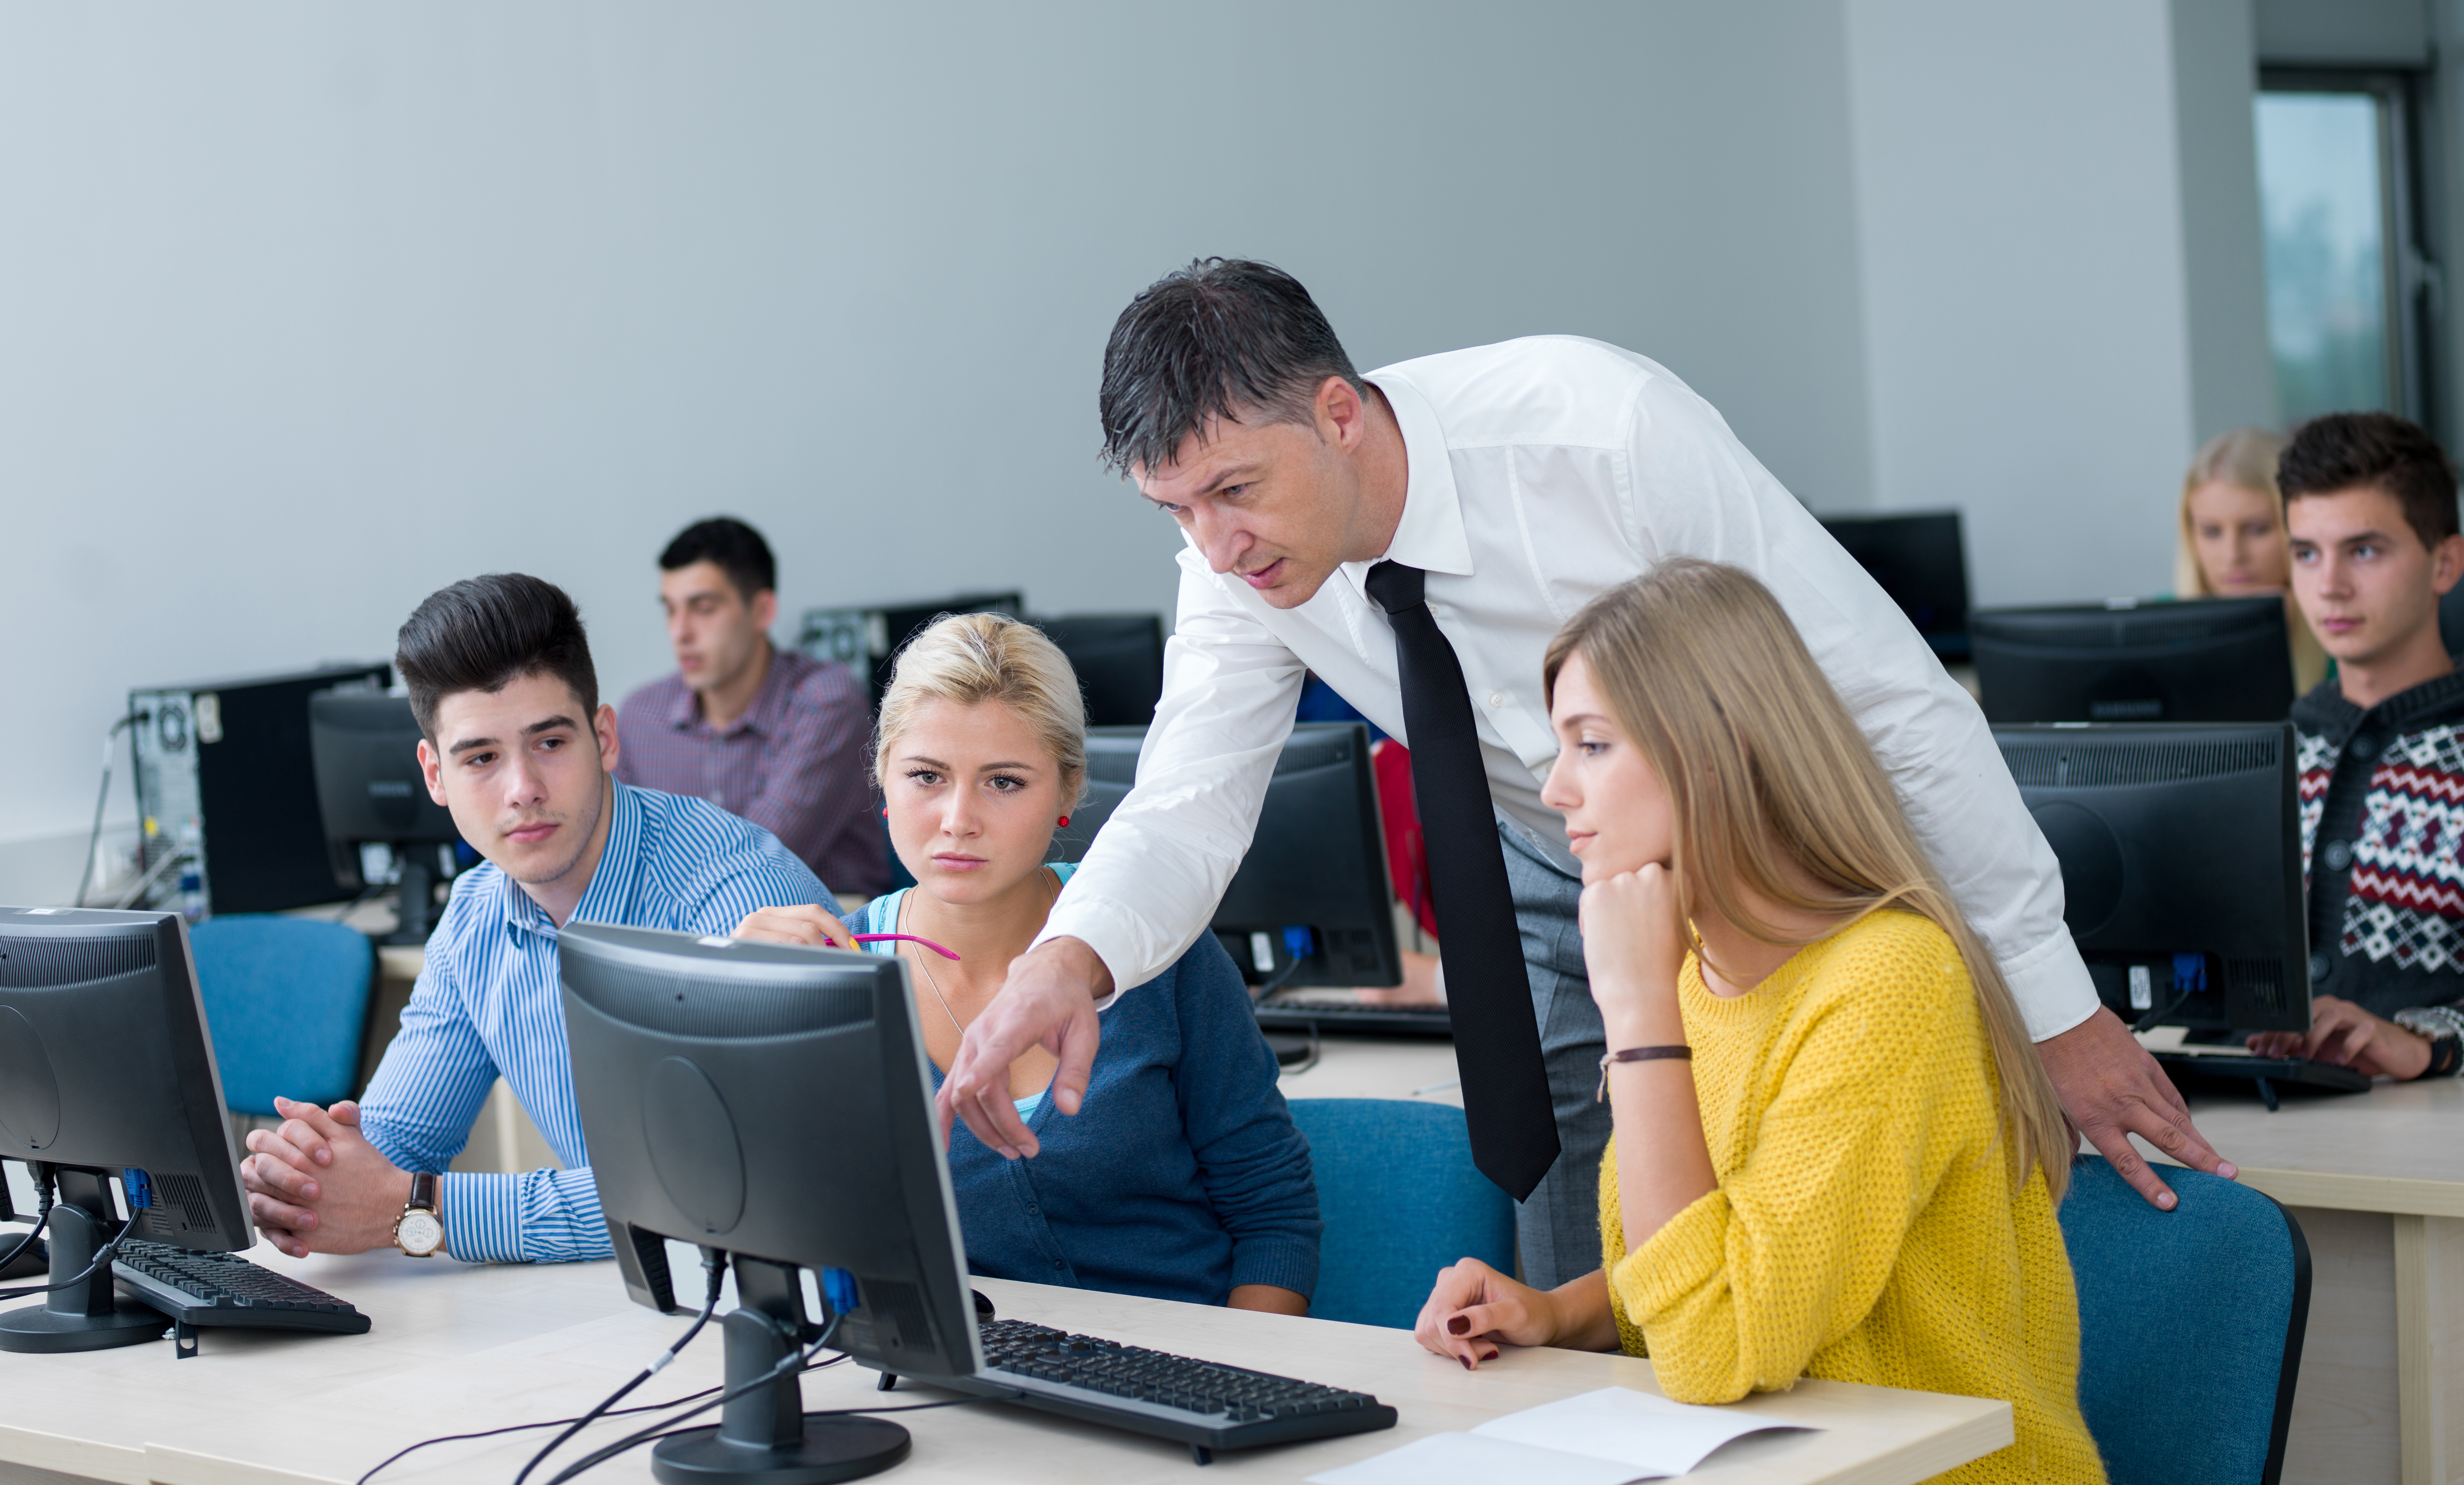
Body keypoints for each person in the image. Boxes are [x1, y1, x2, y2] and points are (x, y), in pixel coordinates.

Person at [943, 260, 2227, 1291]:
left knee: (1817, 1221)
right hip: (1547, 870)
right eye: (1173, 511)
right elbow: (1188, 796)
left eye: (1232, 491)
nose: (1214, 548)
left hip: (1778, 862)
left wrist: (2052, 1003)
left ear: (1337, 413)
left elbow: (1887, 702)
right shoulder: (1235, 564)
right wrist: (1070, 958)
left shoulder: (1598, 430)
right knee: (1582, 1231)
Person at [1411, 563, 2102, 1485]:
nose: (1557, 793)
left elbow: (1713, 1347)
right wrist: (1559, 1312)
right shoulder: (1700, 965)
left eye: (1593, 746)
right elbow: (1714, 1256)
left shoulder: (1889, 982)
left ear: (1713, 752)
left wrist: (1640, 1016)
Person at [240, 574, 839, 1262]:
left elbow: (728, 1193)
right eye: (482, 758)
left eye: (550, 743)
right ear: (435, 776)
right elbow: (390, 1151)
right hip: (642, 1309)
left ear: (605, 738)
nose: (522, 789)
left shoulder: (736, 900)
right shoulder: (473, 919)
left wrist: (420, 1212)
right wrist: (307, 1179)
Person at [734, 613, 1318, 1311]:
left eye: (1004, 782)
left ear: (1069, 790)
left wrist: (1237, 1385)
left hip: (1186, 1373)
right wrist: (741, 1019)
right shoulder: (831, 975)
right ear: (883, 779)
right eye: (926, 775)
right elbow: (778, 1224)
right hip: (962, 1390)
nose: (957, 818)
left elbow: (1273, 1213)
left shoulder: (1154, 946)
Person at [2246, 412, 2464, 1078]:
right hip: (2269, 1119)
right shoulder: (2269, 755)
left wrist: (2429, 1041)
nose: (2329, 584)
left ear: (2445, 563)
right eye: (2306, 552)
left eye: (2364, 550)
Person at [616, 516, 888, 896]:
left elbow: (759, 859)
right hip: (686, 939)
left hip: (828, 938)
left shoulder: (825, 702)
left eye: (704, 608)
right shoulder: (641, 717)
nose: (680, 632)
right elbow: (617, 856)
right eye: (671, 610)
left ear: (762, 611)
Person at [2175, 427, 2329, 695]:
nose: (2233, 555)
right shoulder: (2159, 632)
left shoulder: (2345, 635)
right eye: (2212, 532)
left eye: (2257, 529)